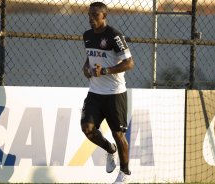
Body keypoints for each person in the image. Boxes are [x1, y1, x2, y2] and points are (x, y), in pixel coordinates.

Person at [80, 2, 134, 184]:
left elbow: (129, 63)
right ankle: (110, 150)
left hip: (114, 93)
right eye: (89, 15)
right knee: (87, 129)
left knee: (118, 134)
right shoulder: (87, 36)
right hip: (95, 92)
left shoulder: (114, 35)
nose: (91, 19)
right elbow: (90, 58)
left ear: (104, 16)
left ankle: (125, 173)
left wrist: (105, 71)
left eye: (95, 15)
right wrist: (86, 69)